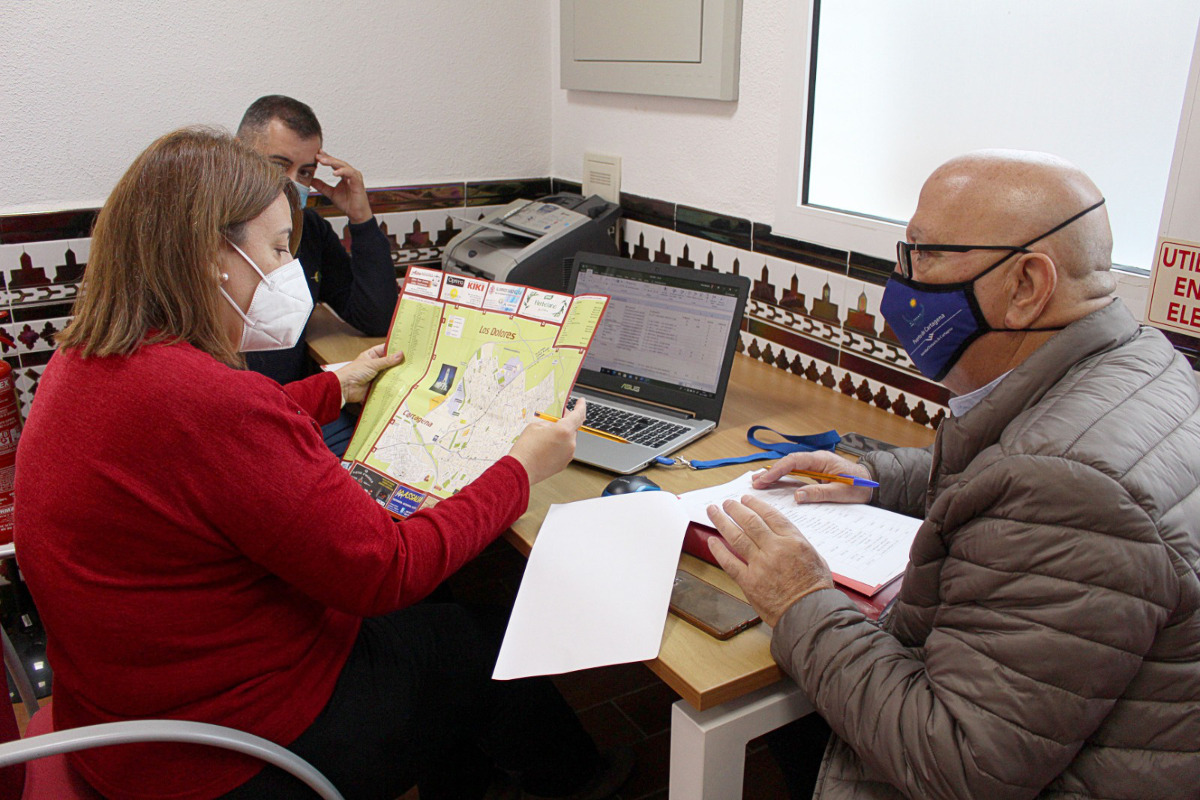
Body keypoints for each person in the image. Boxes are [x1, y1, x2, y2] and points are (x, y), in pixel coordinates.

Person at [13, 127, 631, 800]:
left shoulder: (88, 358)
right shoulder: (208, 400)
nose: (288, 268)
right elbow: (387, 571)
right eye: (277, 248)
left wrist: (337, 384)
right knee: (475, 640)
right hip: (226, 749)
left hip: (129, 716)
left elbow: (211, 443)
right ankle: (582, 783)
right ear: (210, 254)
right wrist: (520, 467)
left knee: (438, 618)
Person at [705, 150, 1200, 799]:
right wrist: (878, 476)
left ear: (1026, 285)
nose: (903, 279)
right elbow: (1012, 467)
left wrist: (802, 602)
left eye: (924, 255)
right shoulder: (1137, 359)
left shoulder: (1066, 487)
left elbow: (962, 766)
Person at [236, 94, 400, 455]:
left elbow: (374, 317)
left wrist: (361, 218)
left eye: (306, 172)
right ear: (239, 155)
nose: (291, 182)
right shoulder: (213, 237)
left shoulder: (308, 229)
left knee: (376, 459)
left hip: (303, 406)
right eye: (279, 165)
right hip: (238, 421)